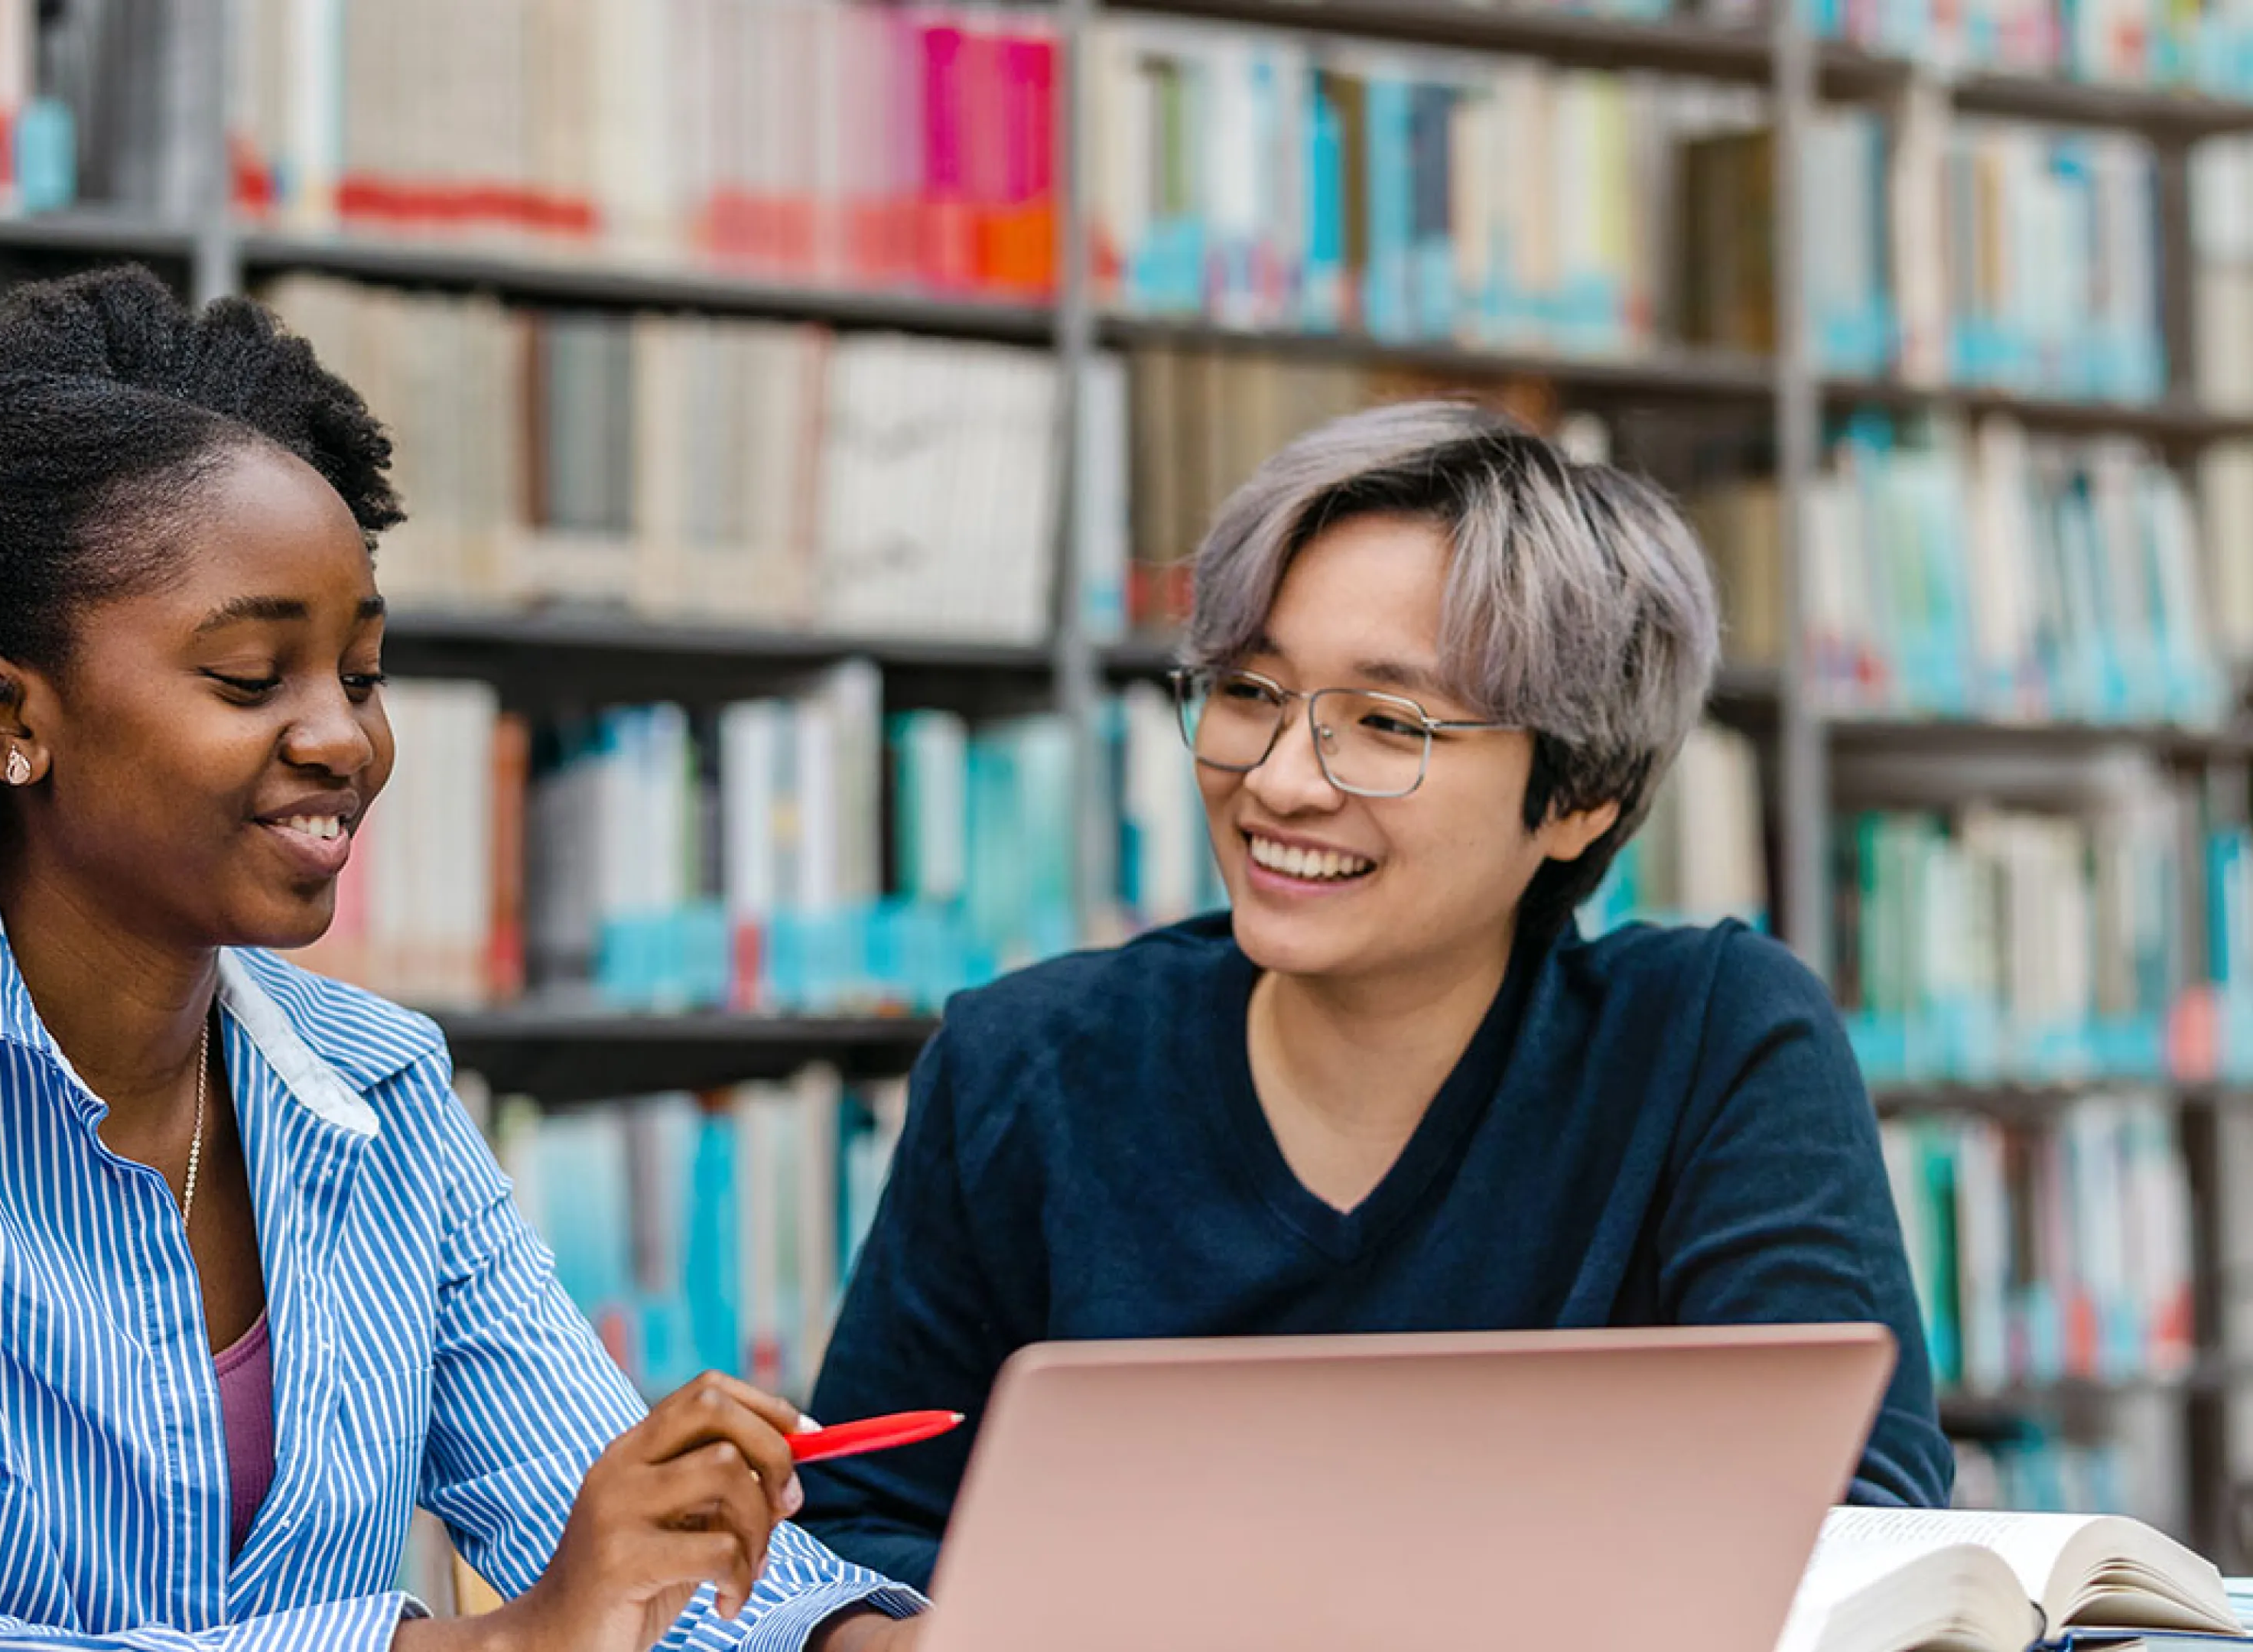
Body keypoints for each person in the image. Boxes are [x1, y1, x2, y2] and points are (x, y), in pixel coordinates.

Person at [0, 267, 924, 1652]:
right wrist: (478, 1647)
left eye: (361, 675)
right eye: (251, 680)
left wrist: (858, 1637)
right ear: (7, 713)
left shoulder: (378, 1086)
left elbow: (603, 1538)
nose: (343, 742)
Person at [797, 402, 1954, 1589]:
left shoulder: (1714, 1039)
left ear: (1579, 797)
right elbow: (856, 1526)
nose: (1281, 782)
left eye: (1386, 723)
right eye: (1249, 692)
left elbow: (1853, 1513)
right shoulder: (1023, 1062)